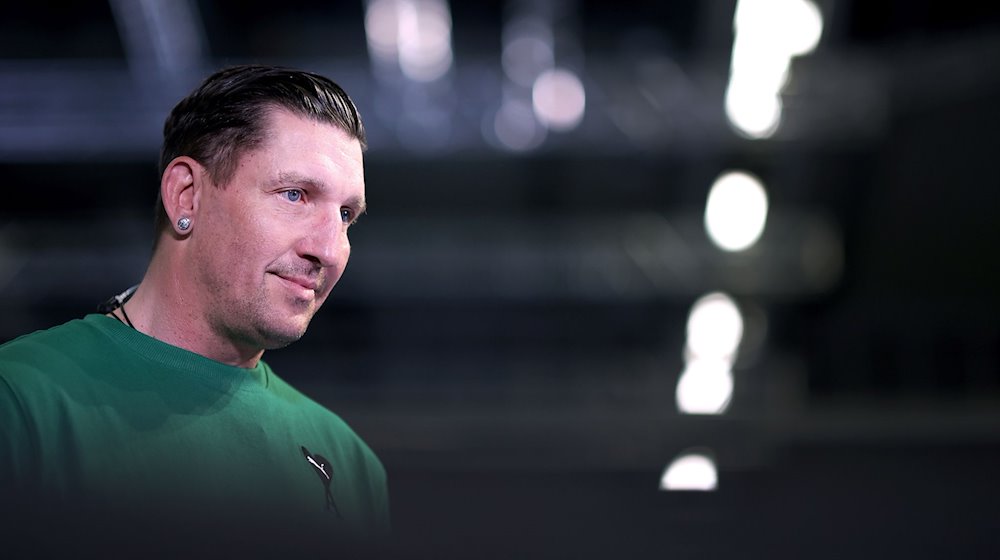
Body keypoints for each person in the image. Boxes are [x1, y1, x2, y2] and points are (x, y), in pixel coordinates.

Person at [0, 65, 389, 555]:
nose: (329, 251)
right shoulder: (20, 403)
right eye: (295, 195)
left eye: (346, 215)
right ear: (187, 195)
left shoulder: (351, 467)